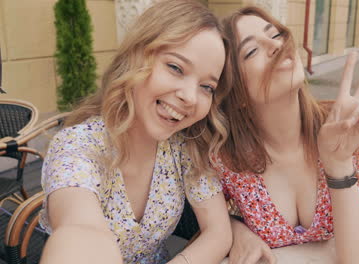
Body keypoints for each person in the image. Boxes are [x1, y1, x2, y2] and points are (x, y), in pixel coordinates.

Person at [38, 1, 232, 263]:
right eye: (175, 68)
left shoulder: (185, 148)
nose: (190, 97)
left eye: (207, 86)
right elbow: (80, 229)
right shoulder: (78, 145)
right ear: (135, 58)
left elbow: (218, 233)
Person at [212, 6, 359, 264]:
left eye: (275, 35)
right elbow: (209, 219)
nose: (275, 46)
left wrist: (338, 164)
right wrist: (235, 230)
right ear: (236, 93)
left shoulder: (337, 129)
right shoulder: (229, 159)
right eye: (251, 51)